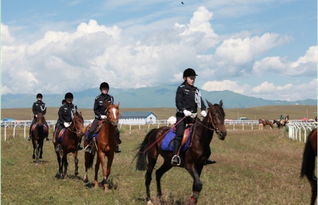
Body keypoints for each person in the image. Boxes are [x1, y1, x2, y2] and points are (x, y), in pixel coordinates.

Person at [171, 68, 208, 166]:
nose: (193, 79)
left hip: (193, 117)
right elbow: (178, 103)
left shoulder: (196, 90)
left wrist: (204, 110)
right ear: (185, 78)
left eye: (194, 78)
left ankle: (205, 155)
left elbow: (201, 102)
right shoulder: (181, 88)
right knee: (179, 134)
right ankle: (175, 156)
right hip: (182, 116)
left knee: (203, 132)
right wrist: (184, 110)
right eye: (191, 78)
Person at [85, 82, 121, 153]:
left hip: (108, 119)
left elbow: (111, 108)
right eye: (103, 89)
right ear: (101, 90)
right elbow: (95, 109)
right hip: (99, 118)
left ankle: (116, 146)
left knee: (116, 131)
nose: (105, 90)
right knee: (91, 130)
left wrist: (109, 116)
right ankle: (89, 146)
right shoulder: (98, 98)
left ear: (108, 90)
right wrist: (100, 116)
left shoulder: (111, 98)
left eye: (106, 89)